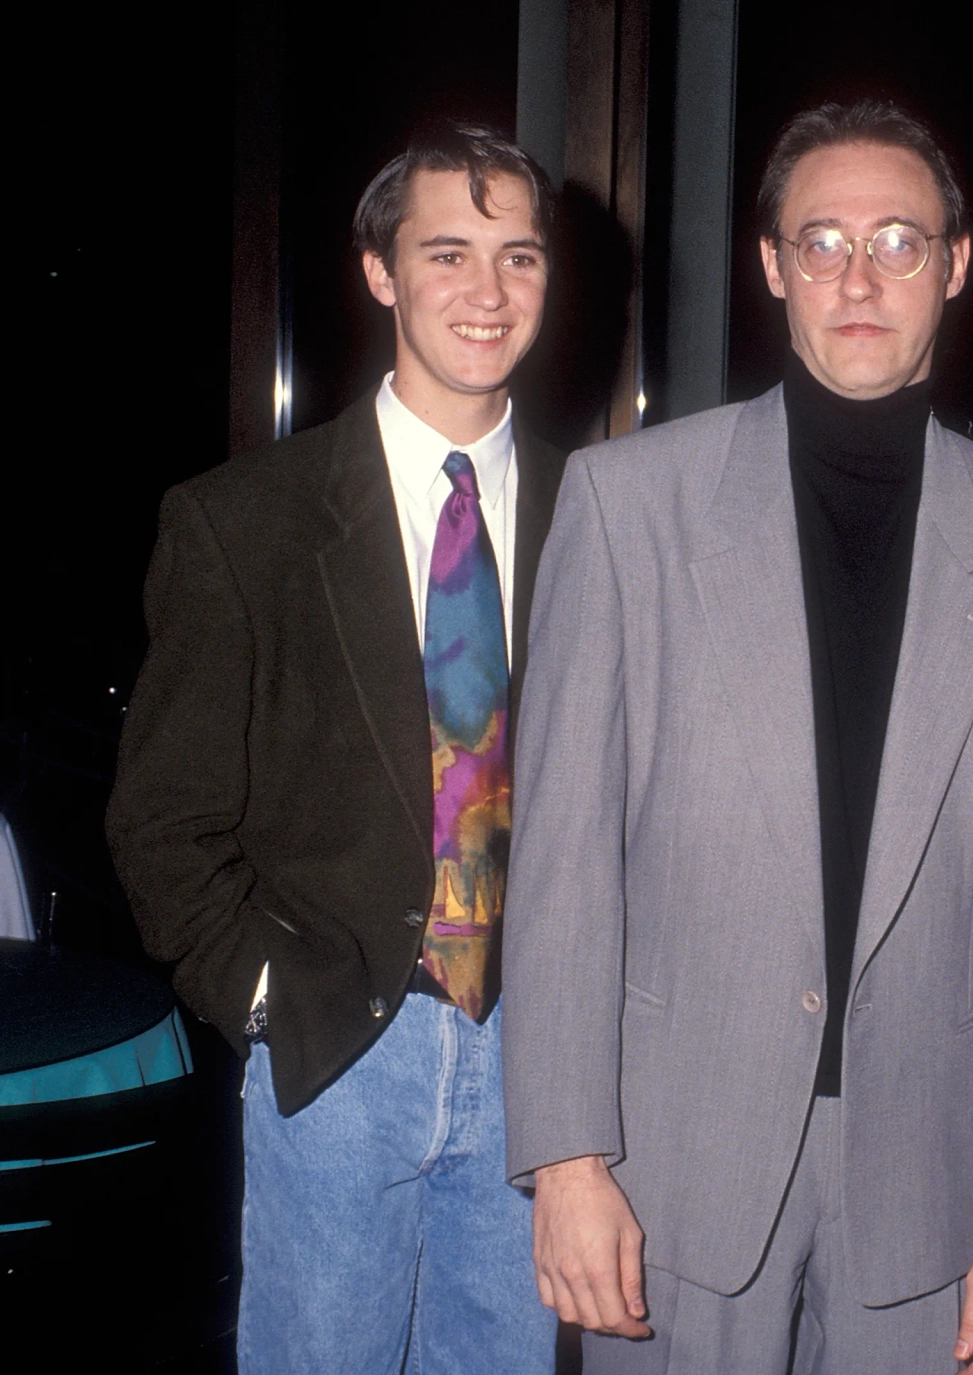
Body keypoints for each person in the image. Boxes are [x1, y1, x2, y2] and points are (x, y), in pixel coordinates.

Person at [501, 100, 973, 1375]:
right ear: (772, 265)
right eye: (822, 240)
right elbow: (562, 860)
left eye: (899, 241)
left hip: (937, 1172)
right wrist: (566, 1158)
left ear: (955, 265)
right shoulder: (628, 506)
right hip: (671, 1157)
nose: (858, 275)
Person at [106, 122, 564, 1372]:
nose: (487, 293)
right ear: (380, 272)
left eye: (518, 258)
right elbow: (162, 822)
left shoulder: (605, 519)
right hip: (340, 1047)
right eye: (449, 253)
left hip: (544, 1056)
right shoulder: (241, 522)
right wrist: (270, 1000)